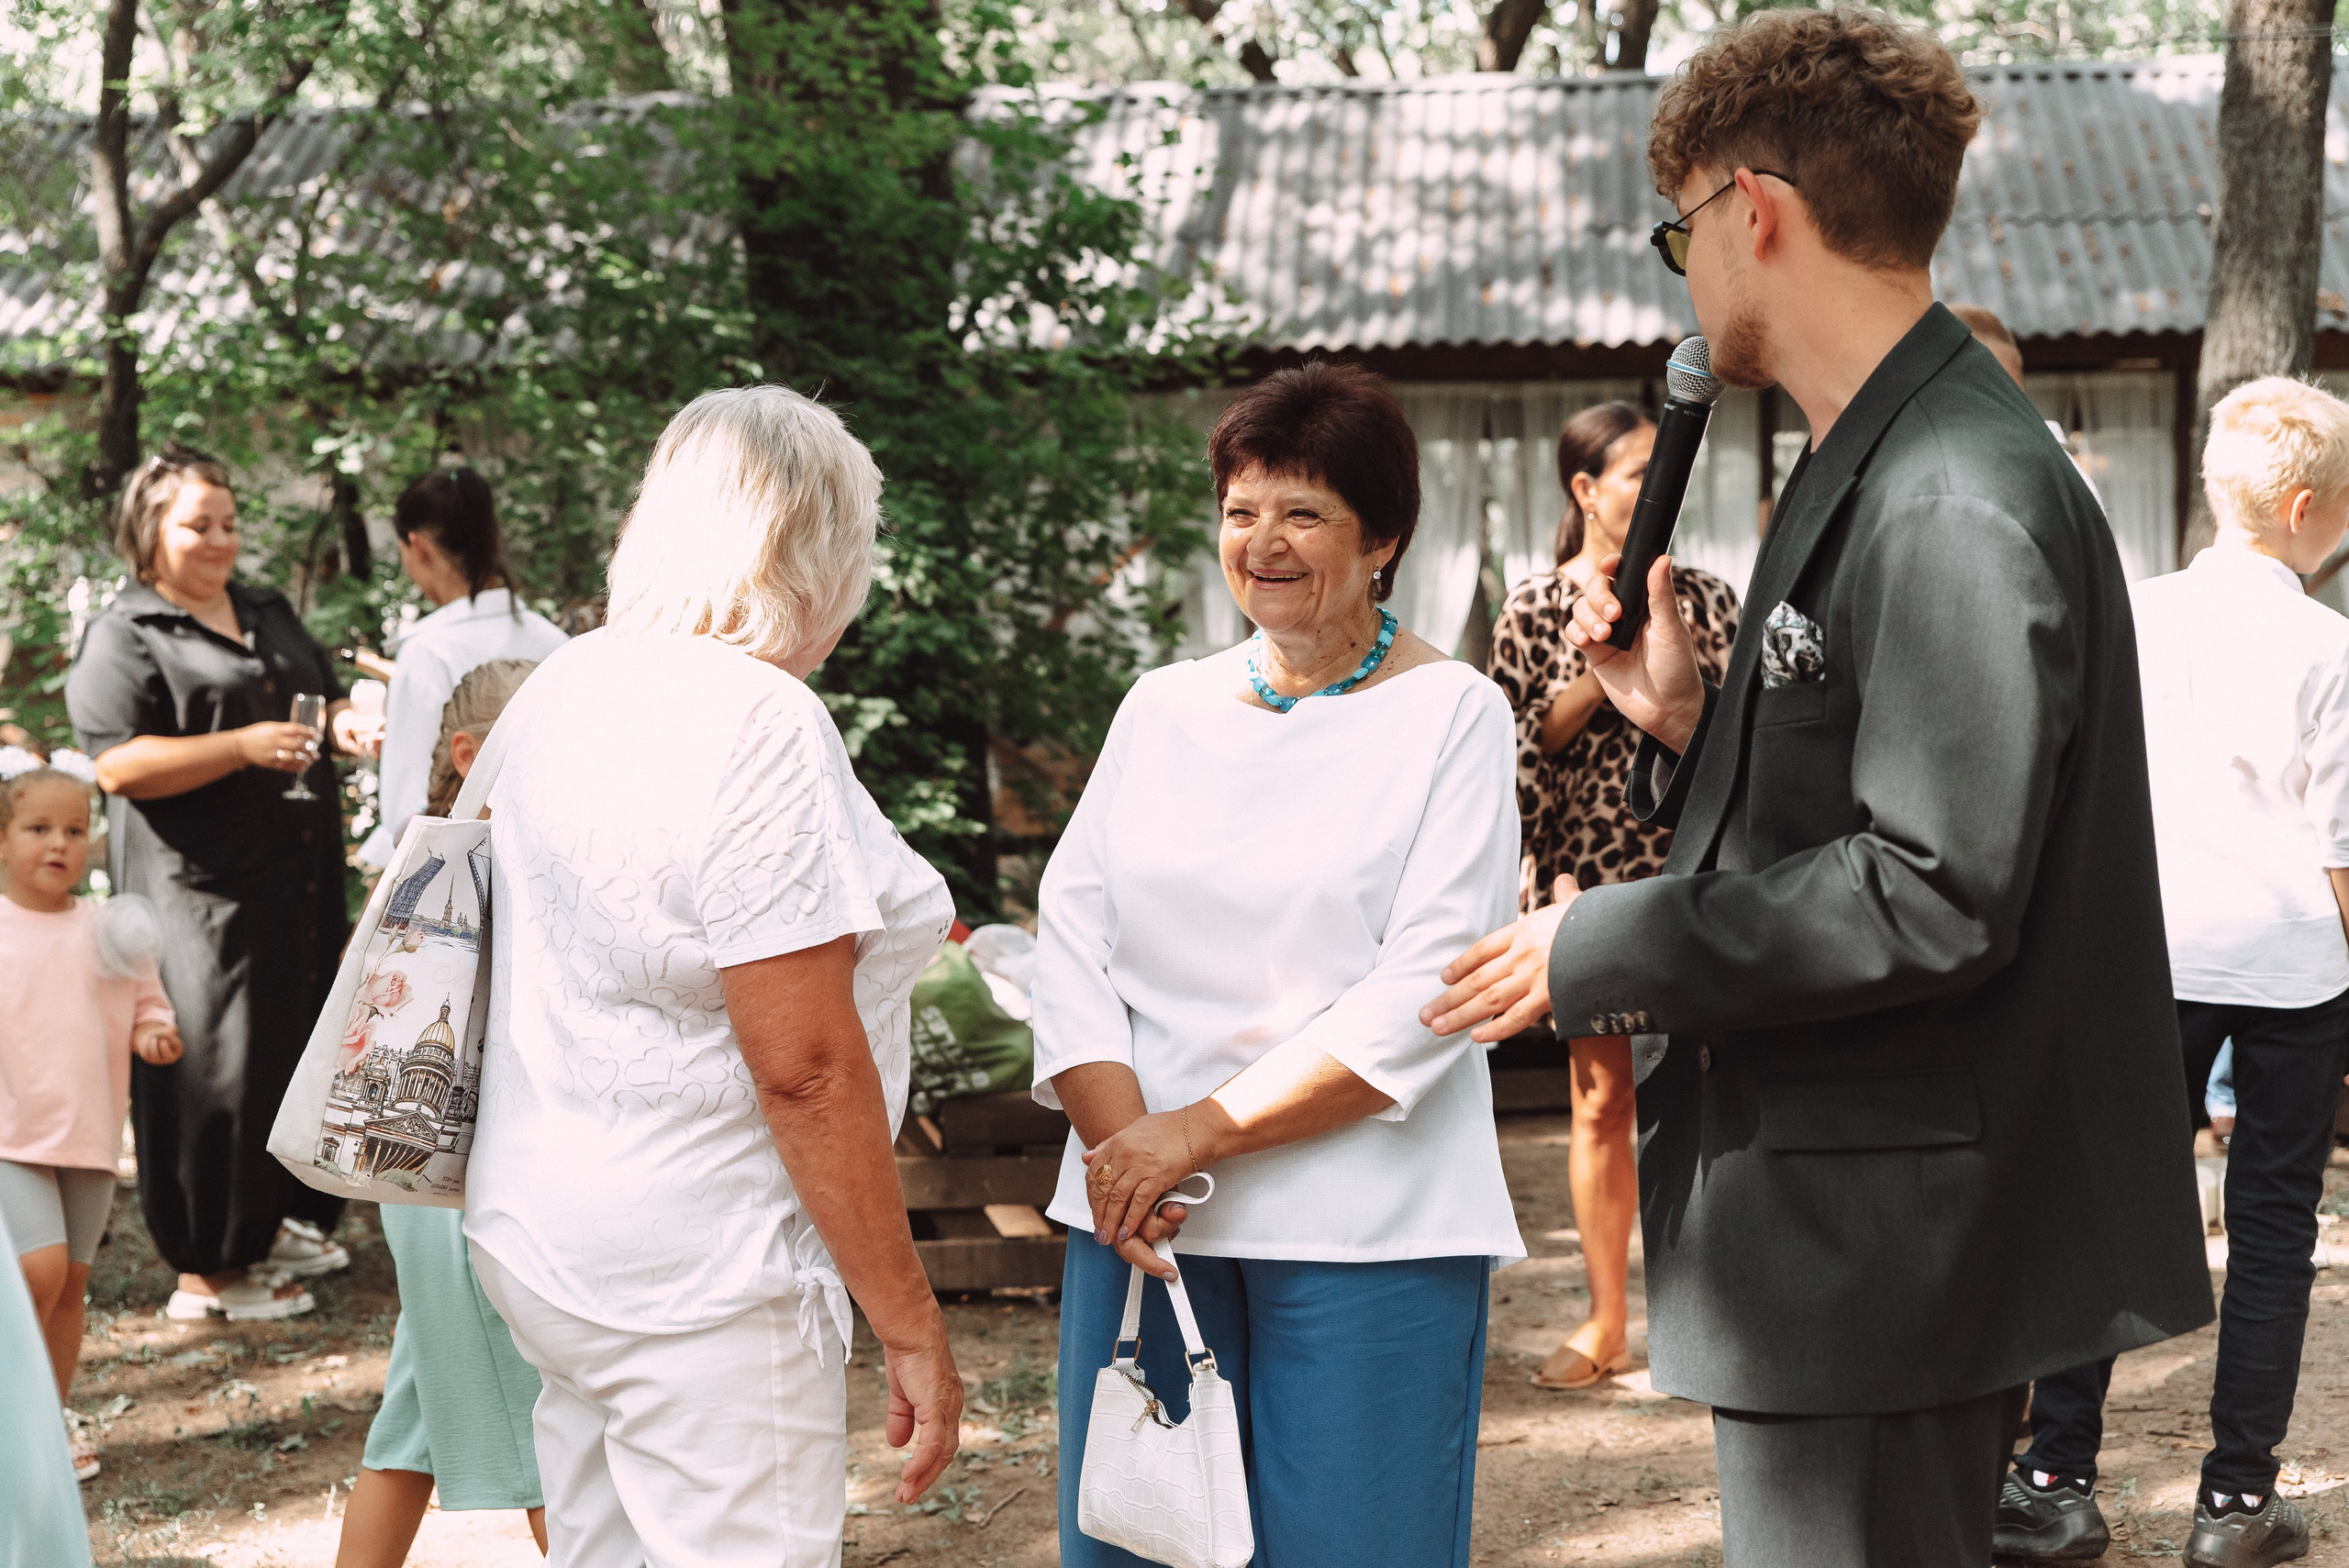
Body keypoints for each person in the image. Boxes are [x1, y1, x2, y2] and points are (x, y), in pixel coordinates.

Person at [1420, 13, 2213, 1567]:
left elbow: (1934, 887)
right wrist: (1685, 717)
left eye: (1681, 233)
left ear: (1755, 209)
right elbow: (1861, 782)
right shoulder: (1887, 449)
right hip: (1856, 1222)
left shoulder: (1947, 489)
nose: (1687, 275)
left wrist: (1606, 938)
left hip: (1882, 1236)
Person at [461, 386, 963, 1563]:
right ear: (820, 552)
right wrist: (908, 1319)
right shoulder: (760, 720)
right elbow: (806, 1068)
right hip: (704, 1265)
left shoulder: (564, 682)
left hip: (542, 1227)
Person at [1039, 360, 1525, 1568]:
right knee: (1142, 1542)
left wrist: (1190, 1135)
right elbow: (1072, 931)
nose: (1262, 542)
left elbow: (1431, 987)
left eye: (1303, 512)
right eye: (1240, 509)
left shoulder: (1454, 713)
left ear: (1385, 538)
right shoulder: (1161, 705)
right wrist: (1124, 1150)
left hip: (1368, 1220)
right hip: (1144, 1210)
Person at [1998, 377, 2349, 1568]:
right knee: (2272, 1230)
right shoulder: (2329, 643)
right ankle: (2236, 1501)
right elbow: (2340, 846)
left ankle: (2054, 1479)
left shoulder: (2133, 613)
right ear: (2303, 509)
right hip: (2292, 965)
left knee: (2101, 1208)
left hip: (2146, 950)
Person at [65, 446, 383, 1322]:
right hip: (195, 895)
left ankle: (271, 1221)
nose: (219, 540)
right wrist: (240, 746)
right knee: (216, 1065)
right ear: (148, 530)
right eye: (197, 525)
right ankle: (208, 1268)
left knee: (287, 1049)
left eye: (229, 524)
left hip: (294, 882)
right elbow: (116, 763)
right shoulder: (127, 632)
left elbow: (320, 697)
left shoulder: (265, 607)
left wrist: (349, 725)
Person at [1487, 400, 1739, 1390]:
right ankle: (1605, 1319)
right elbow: (1514, 744)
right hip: (1582, 878)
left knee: (1716, 1094)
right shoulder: (1531, 607)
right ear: (1586, 489)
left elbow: (1743, 737)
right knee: (1600, 1100)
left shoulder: (1712, 597)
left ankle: (1718, 1313)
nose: (1656, 485)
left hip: (1696, 870)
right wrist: (1605, 664)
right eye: (1636, 471)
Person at [337, 661, 547, 1568]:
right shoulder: (457, 870)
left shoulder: (456, 864)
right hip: (459, 1172)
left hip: (437, 1172)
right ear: (471, 753)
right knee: (540, 1424)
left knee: (410, 1424)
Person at [0, 750, 181, 1482]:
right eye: (38, 828)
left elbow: (150, 1004)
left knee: (71, 1282)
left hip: (89, 1131)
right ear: (2, 839)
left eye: (75, 830)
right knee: (37, 1270)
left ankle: (46, 1426)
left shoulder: (112, 929)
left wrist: (153, 1032)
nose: (59, 843)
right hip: (10, 1132)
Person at [357, 468, 567, 869]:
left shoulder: (427, 653)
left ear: (417, 547)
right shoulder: (555, 642)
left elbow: (408, 815)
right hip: (553, 865)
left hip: (461, 875)